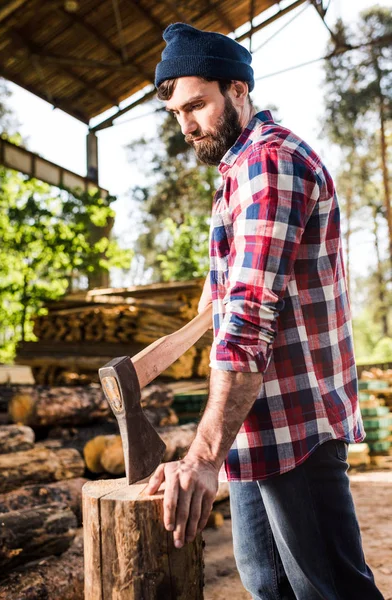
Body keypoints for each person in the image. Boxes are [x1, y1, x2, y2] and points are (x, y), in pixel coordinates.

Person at [145, 23, 384, 600]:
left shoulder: (269, 164)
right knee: (269, 588)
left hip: (294, 424)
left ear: (238, 89)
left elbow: (249, 317)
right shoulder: (236, 170)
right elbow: (230, 296)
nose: (187, 126)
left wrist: (201, 456)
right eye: (177, 114)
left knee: (328, 592)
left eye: (197, 105)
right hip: (254, 429)